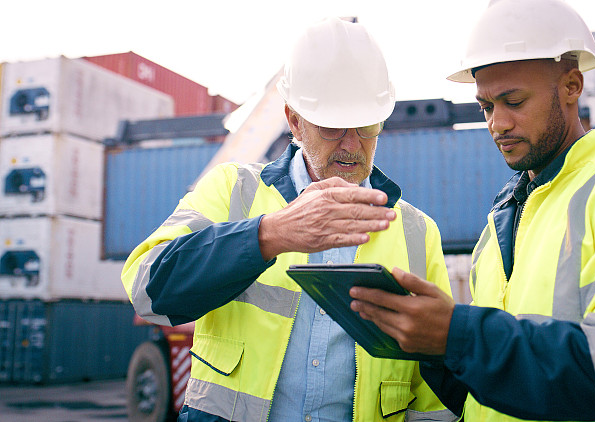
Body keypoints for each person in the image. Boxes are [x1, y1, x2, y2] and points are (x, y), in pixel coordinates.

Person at [349, 0, 595, 421]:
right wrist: (430, 349)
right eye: (487, 106)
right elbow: (495, 393)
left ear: (572, 86)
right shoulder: (498, 225)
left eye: (514, 101)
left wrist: (459, 336)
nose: (496, 124)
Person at [122, 17, 457, 422]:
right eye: (333, 126)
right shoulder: (233, 190)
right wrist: (268, 235)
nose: (352, 145)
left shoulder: (417, 232)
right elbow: (147, 290)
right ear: (295, 121)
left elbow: (432, 396)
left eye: (366, 126)